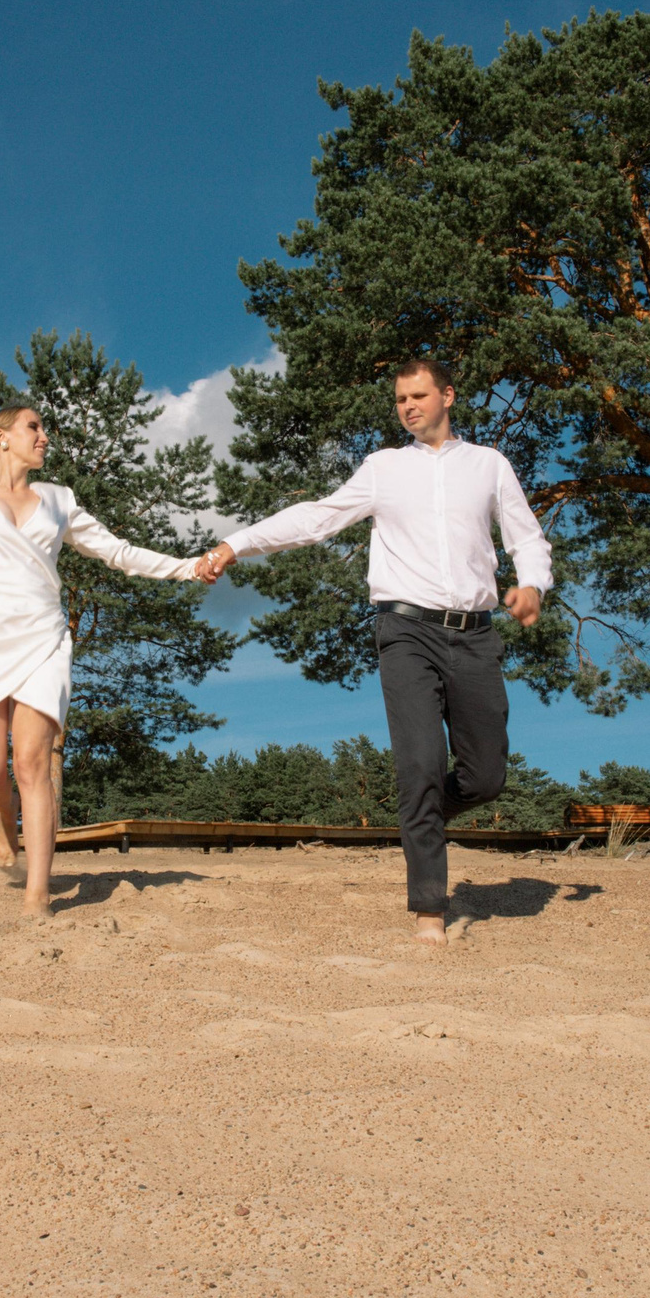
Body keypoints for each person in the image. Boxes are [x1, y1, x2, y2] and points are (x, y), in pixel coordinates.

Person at [196, 358, 548, 944]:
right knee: (420, 765)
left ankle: (425, 815)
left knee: (487, 777)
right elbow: (318, 517)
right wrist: (237, 543)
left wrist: (532, 584)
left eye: (418, 395)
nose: (408, 406)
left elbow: (526, 536)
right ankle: (430, 911)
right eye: (400, 400)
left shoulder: (489, 465)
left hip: (476, 633)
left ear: (447, 397)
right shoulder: (383, 469)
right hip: (405, 630)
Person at [0, 404, 204, 920]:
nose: (45, 437)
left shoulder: (58, 500)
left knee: (31, 762)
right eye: (35, 428)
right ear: (2, 438)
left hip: (43, 640)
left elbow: (116, 551)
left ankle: (37, 893)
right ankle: (4, 813)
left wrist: (186, 568)